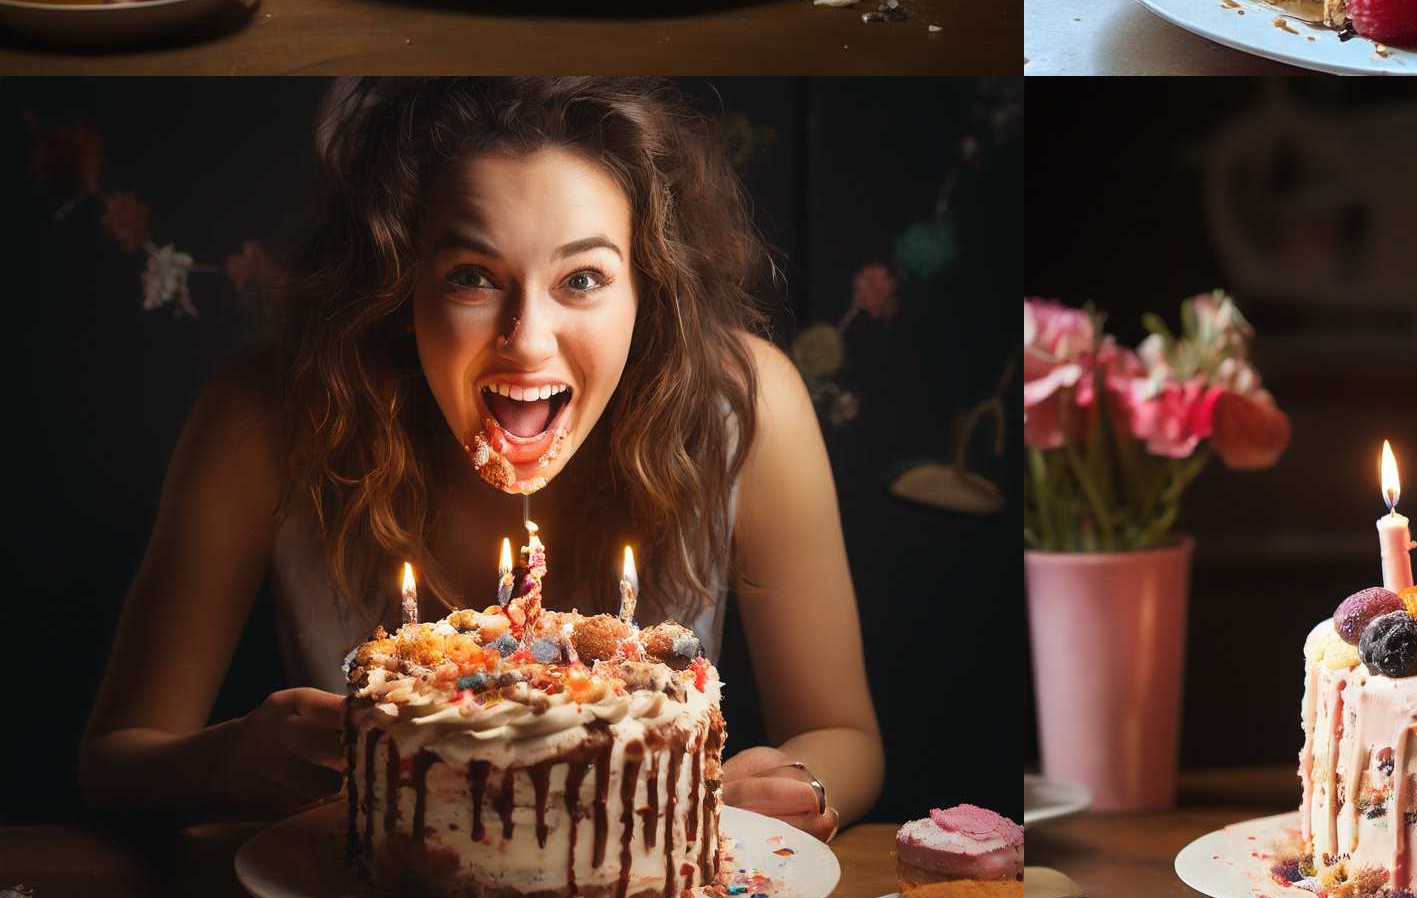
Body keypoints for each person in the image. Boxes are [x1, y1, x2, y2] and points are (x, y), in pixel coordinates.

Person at [78, 78, 882, 840]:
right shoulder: (268, 416)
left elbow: (844, 734)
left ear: (650, 289)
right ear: (399, 287)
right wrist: (226, 761)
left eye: (583, 279)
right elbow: (113, 764)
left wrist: (797, 786)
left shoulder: (747, 408)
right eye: (472, 277)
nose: (527, 339)